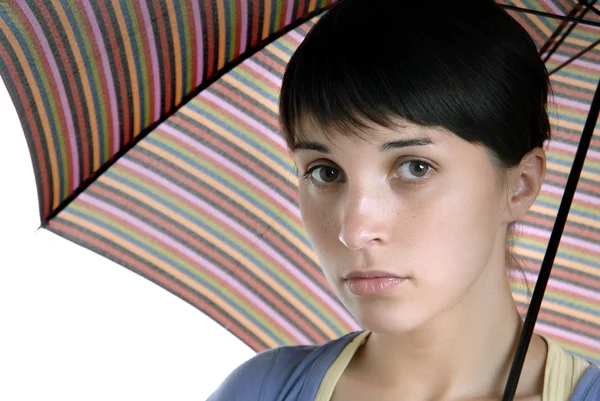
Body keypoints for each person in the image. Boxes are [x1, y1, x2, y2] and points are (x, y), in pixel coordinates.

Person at [207, 0, 600, 400]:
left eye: (415, 167)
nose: (355, 230)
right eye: (325, 172)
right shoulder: (260, 391)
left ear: (521, 185)